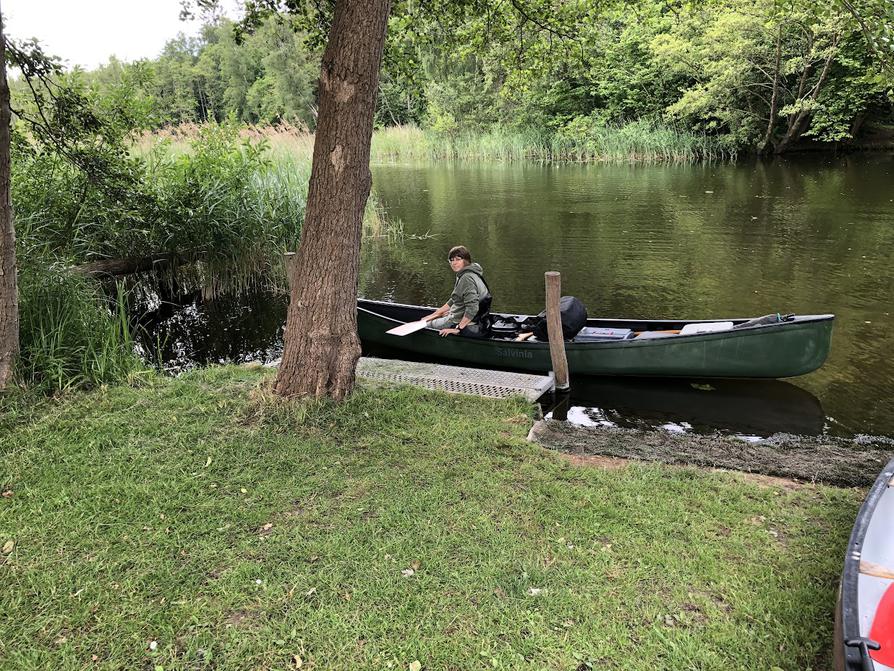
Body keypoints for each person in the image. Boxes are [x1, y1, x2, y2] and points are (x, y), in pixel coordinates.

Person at [422, 245, 490, 337]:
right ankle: (441, 316)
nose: (454, 263)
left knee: (425, 325)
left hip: (461, 322)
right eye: (452, 260)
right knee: (430, 318)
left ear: (466, 260)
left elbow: (472, 308)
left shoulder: (466, 278)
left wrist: (458, 329)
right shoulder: (469, 272)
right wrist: (436, 313)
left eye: (458, 259)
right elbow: (454, 299)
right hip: (476, 318)